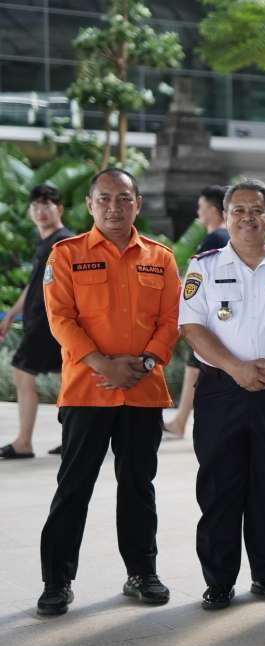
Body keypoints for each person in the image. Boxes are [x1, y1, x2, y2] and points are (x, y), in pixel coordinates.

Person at [37, 168, 180, 616]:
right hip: (87, 390)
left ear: (137, 203)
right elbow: (61, 319)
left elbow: (170, 322)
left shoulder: (161, 258)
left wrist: (145, 364)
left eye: (123, 198)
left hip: (142, 391)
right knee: (73, 486)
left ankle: (142, 572)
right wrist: (103, 365)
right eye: (105, 199)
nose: (114, 207)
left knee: (138, 485)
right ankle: (57, 581)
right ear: (90, 205)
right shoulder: (66, 255)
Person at [179, 179, 265, 610]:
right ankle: (218, 581)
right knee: (220, 486)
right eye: (238, 210)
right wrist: (236, 368)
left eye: (257, 210)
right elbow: (192, 327)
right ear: (225, 216)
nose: (248, 217)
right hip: (221, 390)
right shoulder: (204, 266)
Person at [0, 184, 73, 459]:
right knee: (70, 380)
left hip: (48, 324)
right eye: (36, 206)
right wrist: (10, 315)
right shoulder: (45, 242)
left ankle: (24, 442)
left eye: (47, 205)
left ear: (60, 208)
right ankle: (73, 439)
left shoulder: (63, 242)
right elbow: (33, 285)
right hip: (40, 323)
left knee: (22, 372)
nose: (40, 211)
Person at [164, 185, 229, 439]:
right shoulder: (227, 238)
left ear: (214, 210)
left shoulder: (215, 238)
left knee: (197, 367)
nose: (198, 213)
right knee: (198, 368)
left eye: (201, 208)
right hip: (217, 314)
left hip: (208, 317)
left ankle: (181, 421)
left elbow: (197, 279)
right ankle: (181, 420)